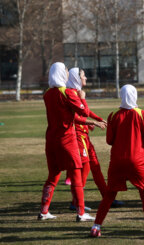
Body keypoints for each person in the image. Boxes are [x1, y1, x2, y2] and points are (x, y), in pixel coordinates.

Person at [90, 85, 144, 238]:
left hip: (117, 160)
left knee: (109, 194)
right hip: (137, 160)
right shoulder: (142, 114)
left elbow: (109, 140)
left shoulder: (113, 115)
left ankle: (96, 226)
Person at [38, 62, 94, 222]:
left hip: (51, 139)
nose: (68, 73)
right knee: (76, 174)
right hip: (67, 140)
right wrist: (82, 98)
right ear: (62, 73)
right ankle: (81, 213)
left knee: (53, 176)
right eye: (66, 70)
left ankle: (44, 211)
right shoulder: (67, 92)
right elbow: (83, 111)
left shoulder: (47, 93)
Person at [66, 68, 123, 210]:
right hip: (78, 137)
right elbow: (79, 115)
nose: (85, 78)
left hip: (84, 136)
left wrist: (98, 119)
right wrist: (92, 122)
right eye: (83, 75)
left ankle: (107, 198)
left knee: (96, 167)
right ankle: (76, 202)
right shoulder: (72, 94)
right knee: (84, 167)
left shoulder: (76, 92)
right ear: (76, 78)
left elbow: (85, 112)